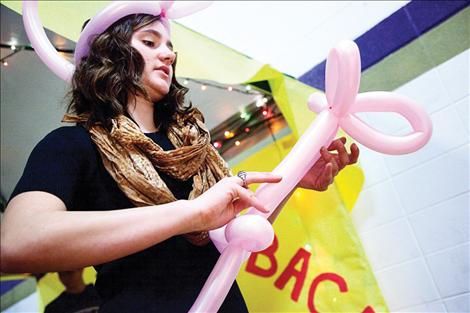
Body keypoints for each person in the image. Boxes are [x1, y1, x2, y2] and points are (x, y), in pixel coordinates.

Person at [0, 13, 359, 312]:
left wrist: (295, 178)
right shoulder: (72, 144)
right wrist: (192, 214)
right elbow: (16, 242)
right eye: (150, 42)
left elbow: (232, 236)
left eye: (170, 46)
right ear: (109, 56)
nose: (169, 55)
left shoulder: (192, 146)